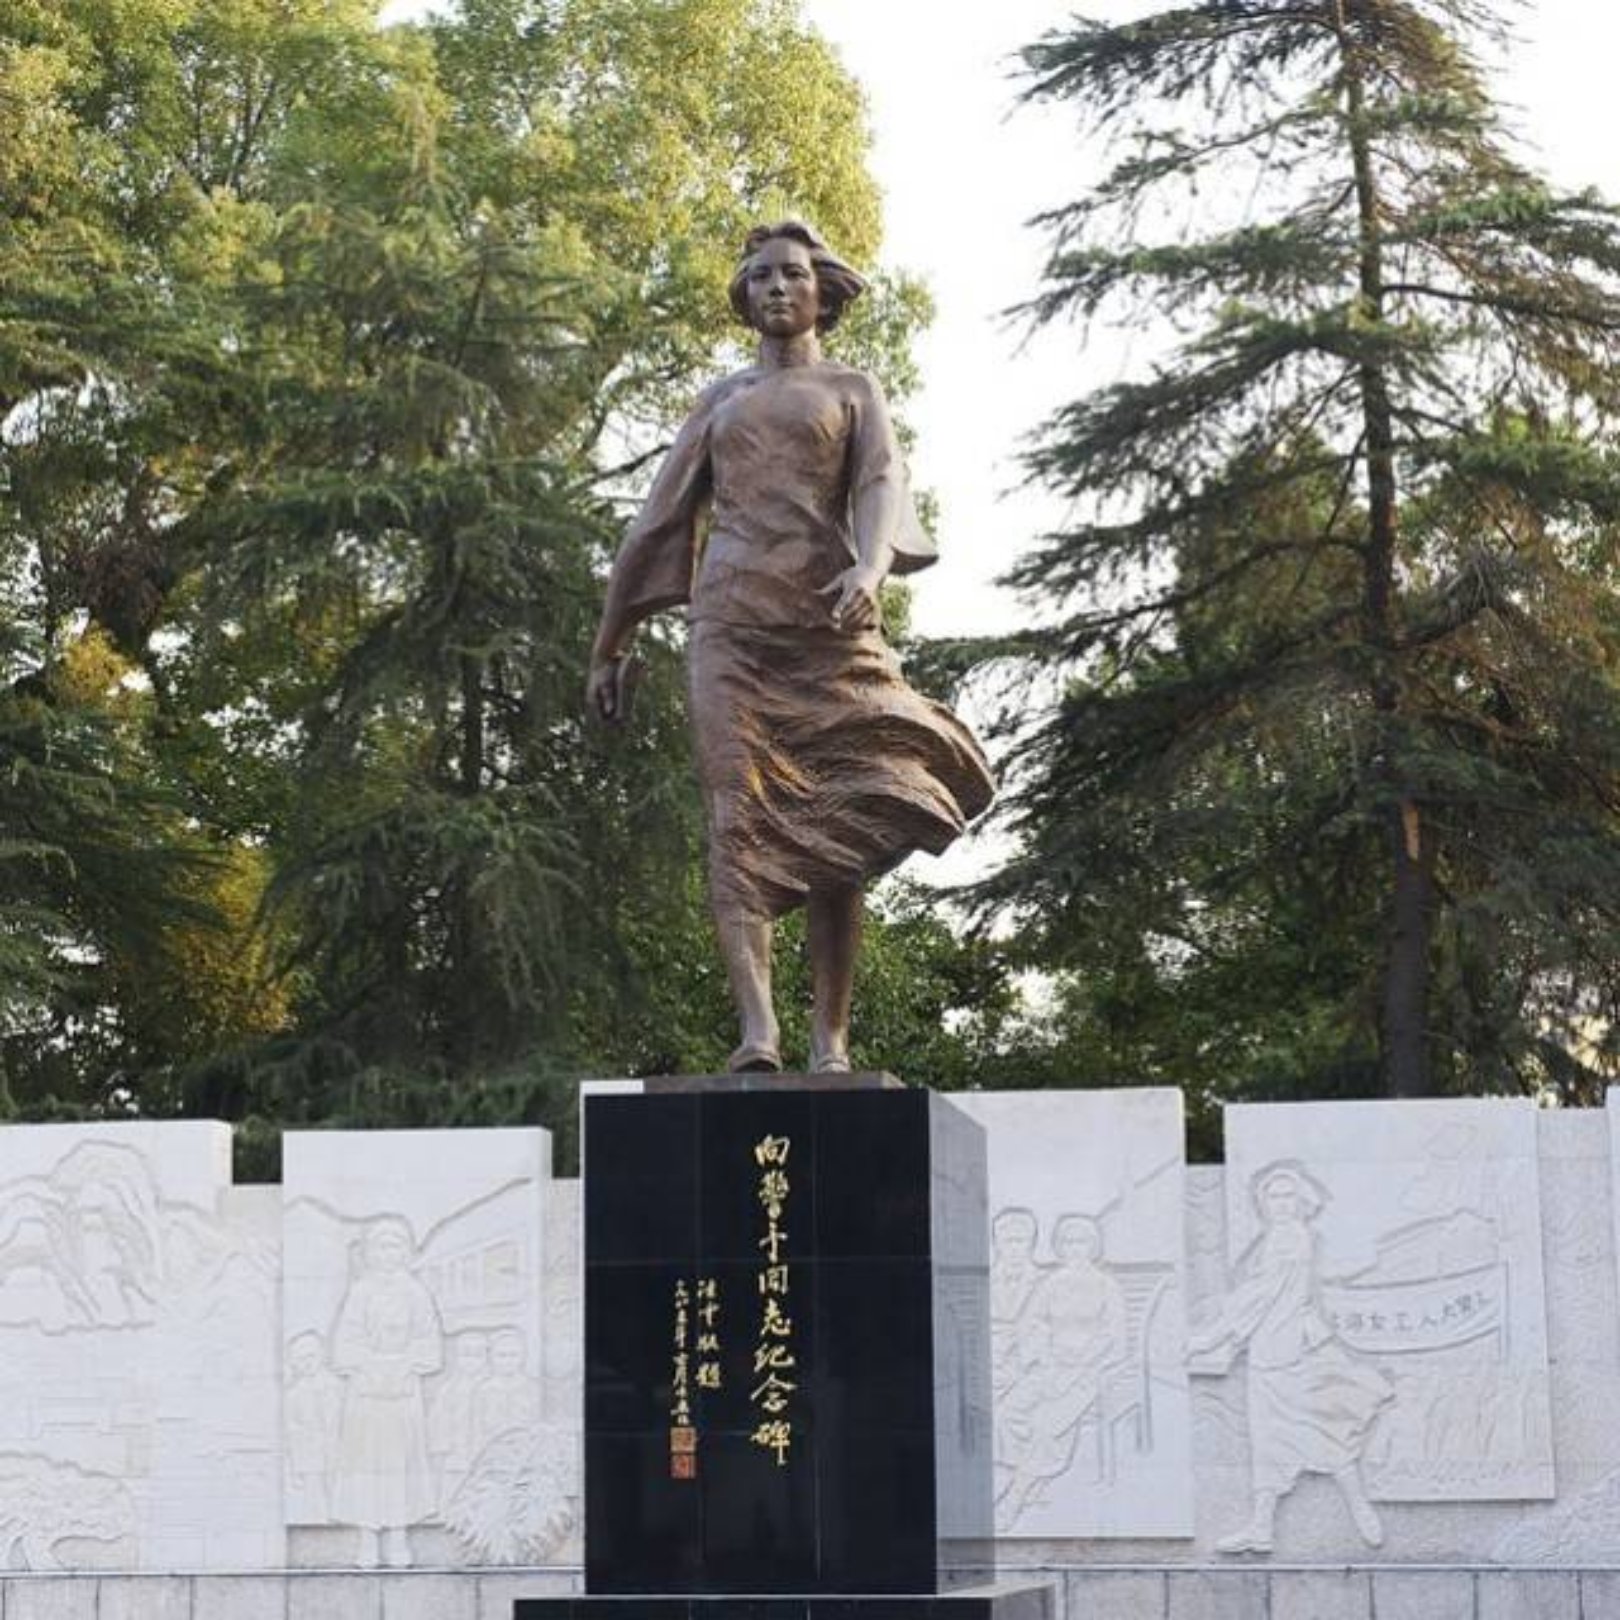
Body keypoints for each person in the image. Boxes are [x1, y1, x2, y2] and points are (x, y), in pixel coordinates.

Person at [587, 221, 994, 1073]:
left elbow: (880, 481)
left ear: (823, 292)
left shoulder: (852, 389)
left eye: (794, 275)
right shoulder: (721, 402)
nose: (777, 287)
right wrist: (610, 643)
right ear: (744, 296)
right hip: (730, 631)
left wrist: (871, 567)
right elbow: (657, 520)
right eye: (761, 276)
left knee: (836, 825)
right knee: (737, 818)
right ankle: (758, 1033)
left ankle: (829, 1041)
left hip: (830, 629)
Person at [1188, 1162, 1392, 1554]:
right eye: (1273, 1195)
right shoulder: (1280, 1236)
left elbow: (1262, 1294)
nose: (1280, 1203)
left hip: (1286, 1351)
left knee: (1319, 1429)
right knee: (1270, 1440)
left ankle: (1357, 1507)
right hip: (1270, 1348)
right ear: (1263, 1202)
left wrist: (1212, 1336)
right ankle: (1262, 1526)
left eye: (1287, 1195)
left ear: (1299, 1201)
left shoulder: (1289, 1237)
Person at [330, 1217, 443, 1568]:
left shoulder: (416, 1293)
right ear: (369, 1252)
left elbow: (429, 1342)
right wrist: (369, 1367)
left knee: (401, 1465)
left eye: (395, 1246)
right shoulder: (359, 1292)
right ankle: (366, 1539)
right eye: (381, 1246)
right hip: (365, 1394)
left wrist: (403, 1365)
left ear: (406, 1252)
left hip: (403, 1393)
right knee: (364, 1464)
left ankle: (398, 1538)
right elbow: (345, 1342)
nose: (388, 1253)